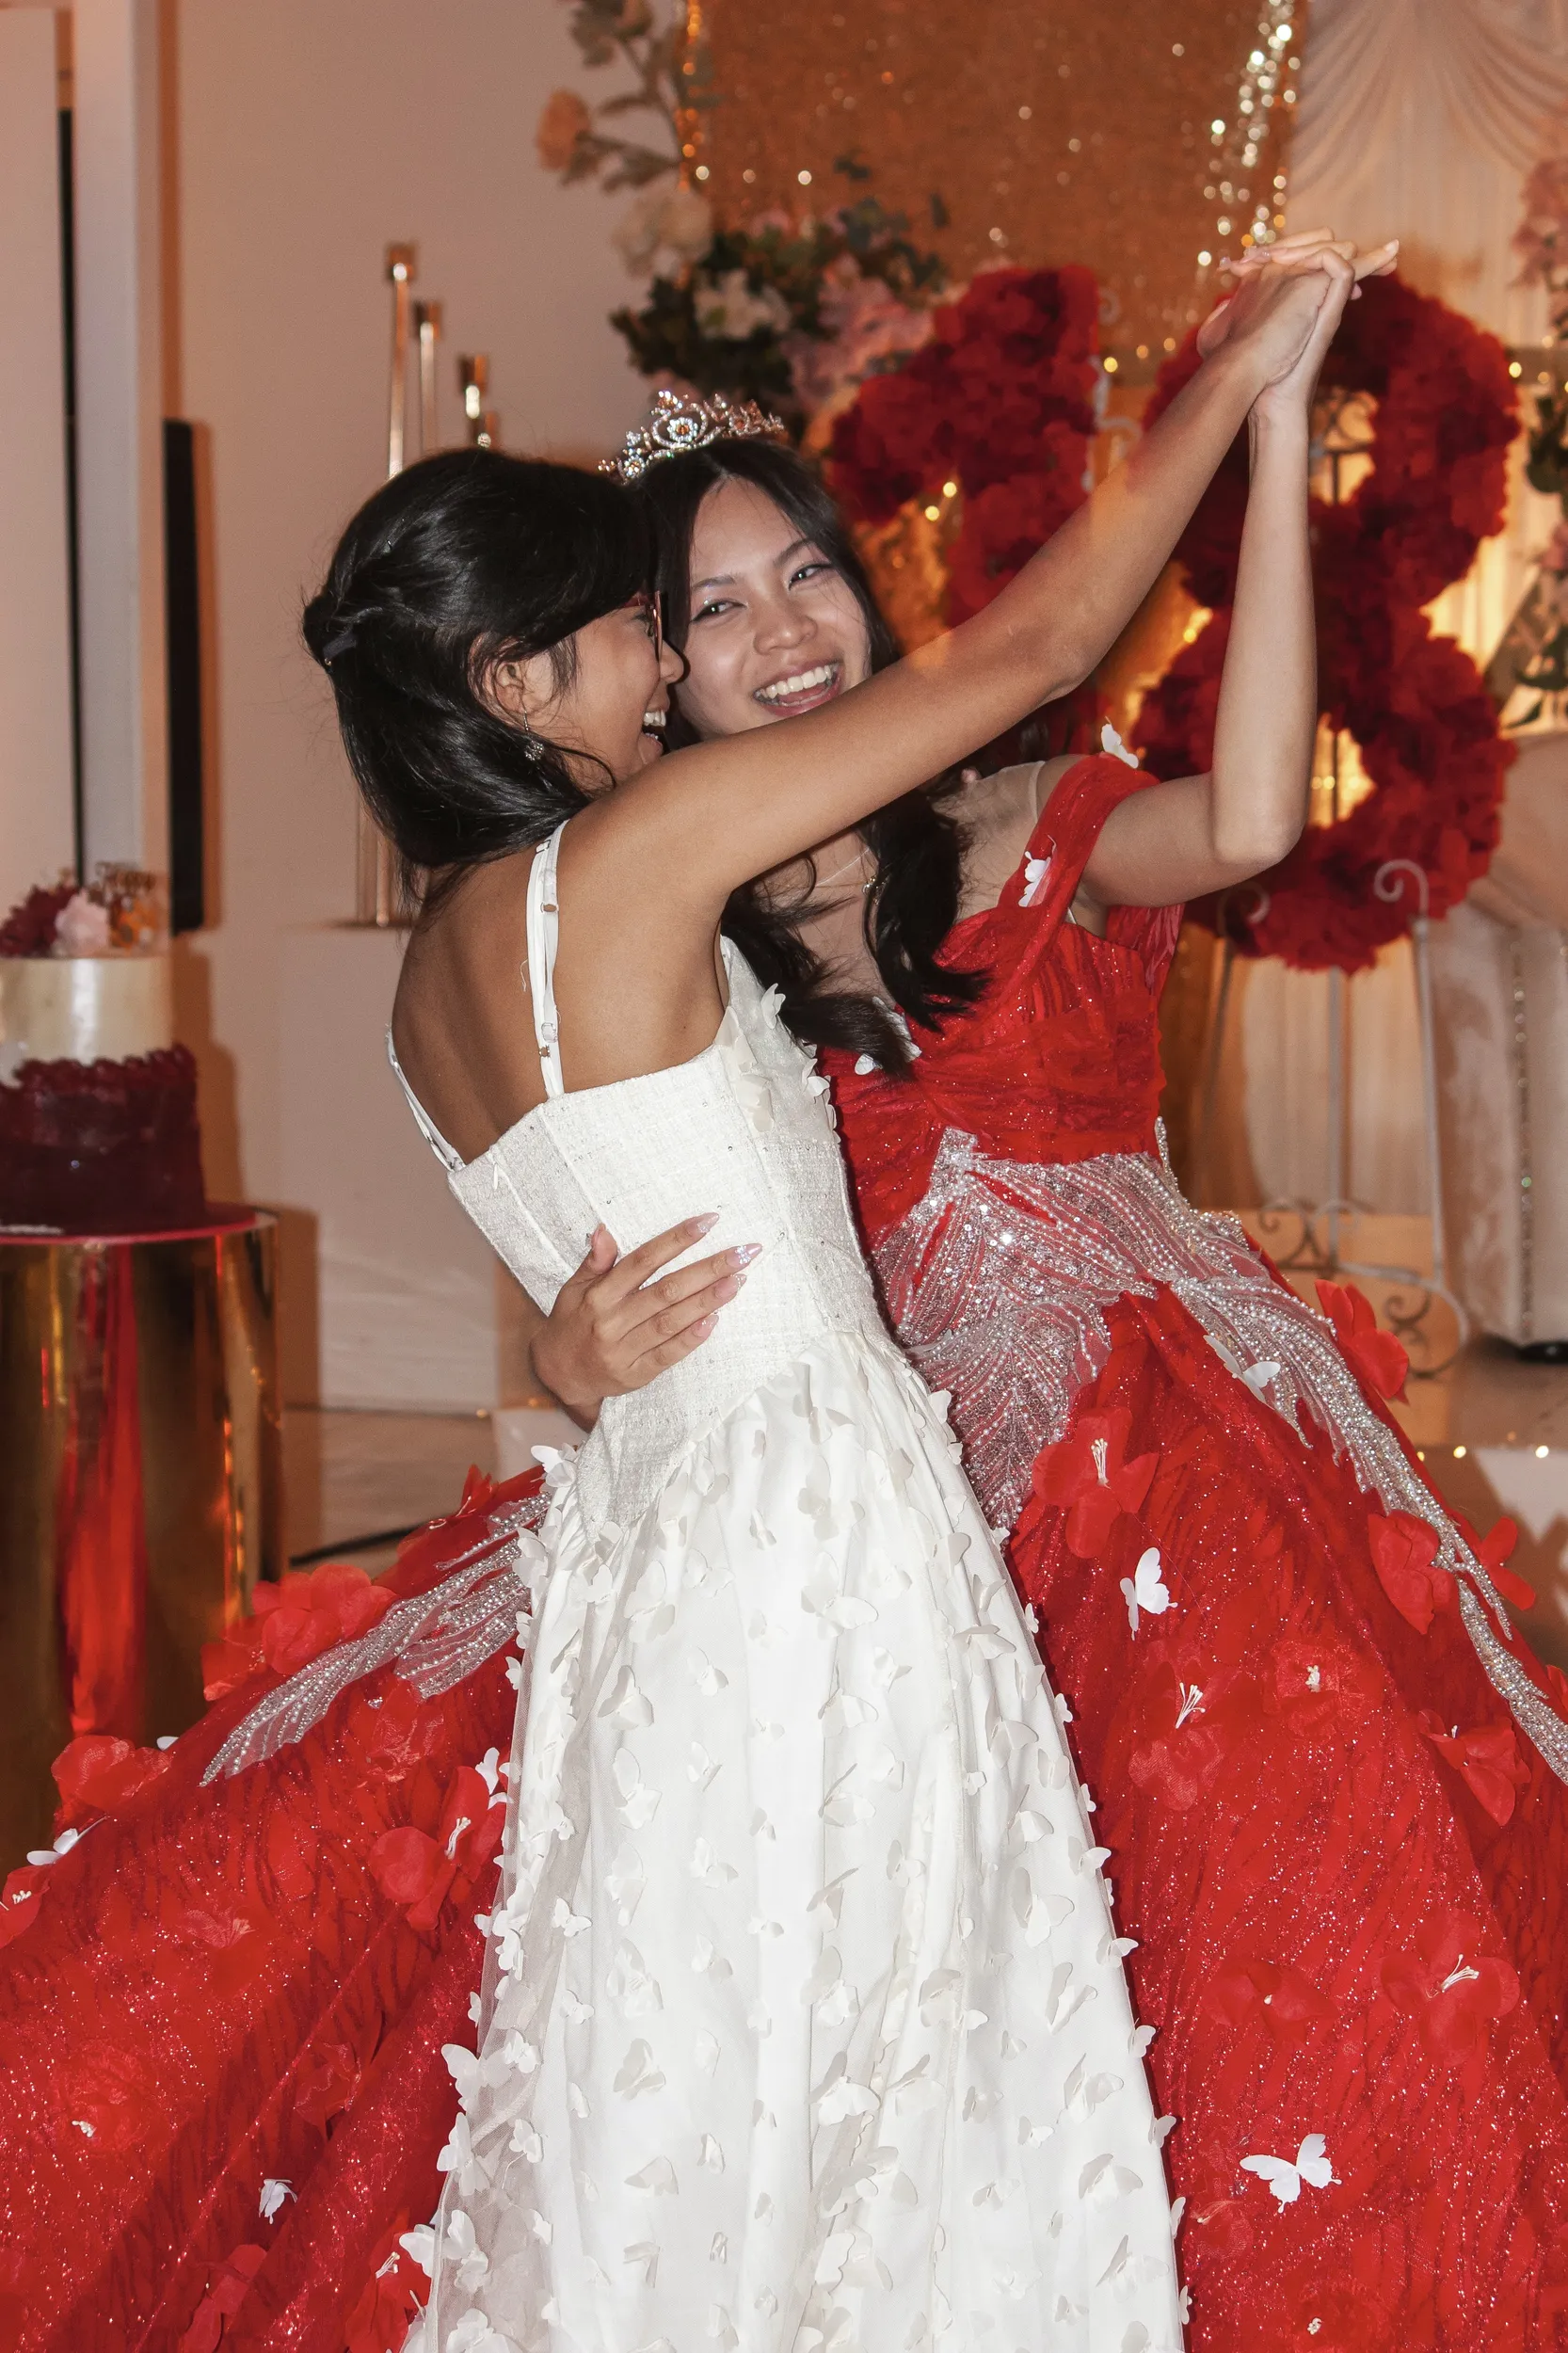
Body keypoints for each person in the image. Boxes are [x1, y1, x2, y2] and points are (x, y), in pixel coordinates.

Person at [0, 250, 1353, 2353]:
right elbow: (1040, 641)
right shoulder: (625, 867)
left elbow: (586, 1237)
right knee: (903, 2054)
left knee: (676, 2066)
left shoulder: (425, 975)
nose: (673, 652)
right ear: (516, 680)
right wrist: (1228, 380)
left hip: (652, 1537)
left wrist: (556, 1350)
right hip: (810, 1522)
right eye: (640, 620)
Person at [604, 242, 1568, 2348]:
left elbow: (1238, 816)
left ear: (867, 592)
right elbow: (604, 1241)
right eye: (714, 609)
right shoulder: (667, 933)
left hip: (1156, 1428)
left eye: (807, 583)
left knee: (1266, 1887)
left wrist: (1270, 496)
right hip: (872, 1479)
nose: (781, 637)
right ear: (655, 673)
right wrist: (566, 1350)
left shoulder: (1018, 804)